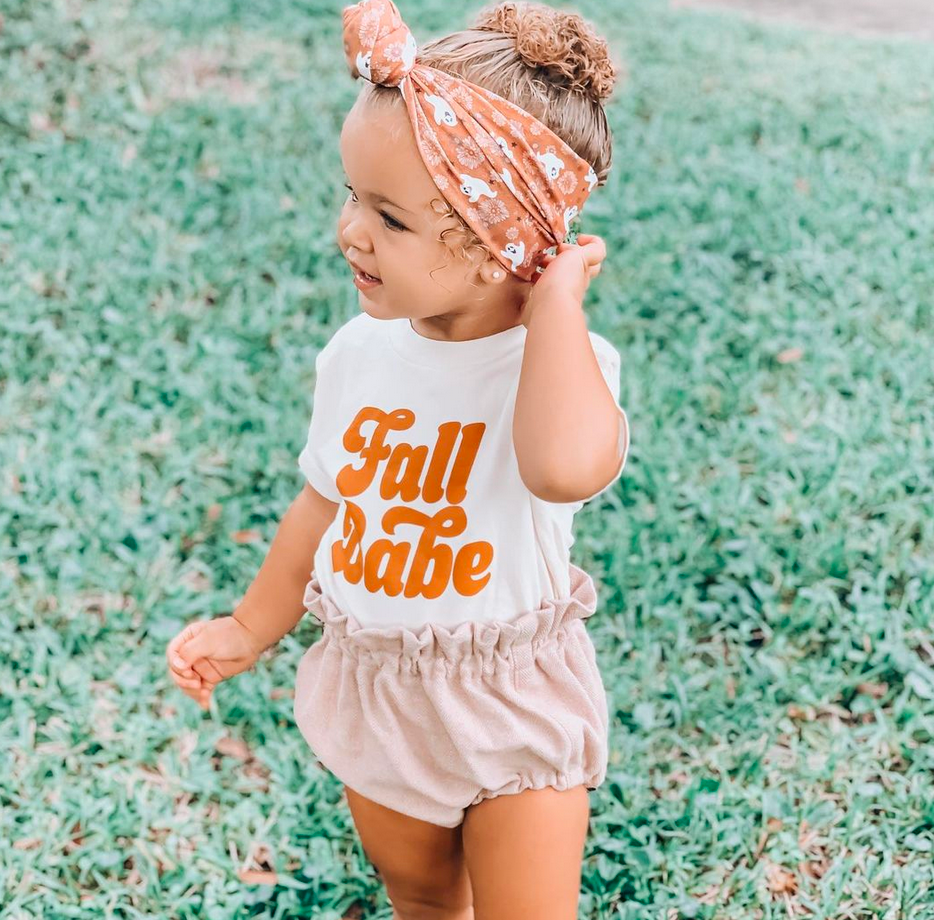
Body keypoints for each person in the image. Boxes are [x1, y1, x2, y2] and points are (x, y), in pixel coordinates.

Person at [166, 0, 630, 916]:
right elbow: (324, 504)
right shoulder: (360, 354)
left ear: (502, 246)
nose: (351, 230)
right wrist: (250, 628)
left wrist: (556, 305)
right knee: (421, 897)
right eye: (353, 195)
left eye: (391, 217)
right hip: (380, 686)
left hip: (511, 696)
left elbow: (562, 469)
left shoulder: (562, 365)